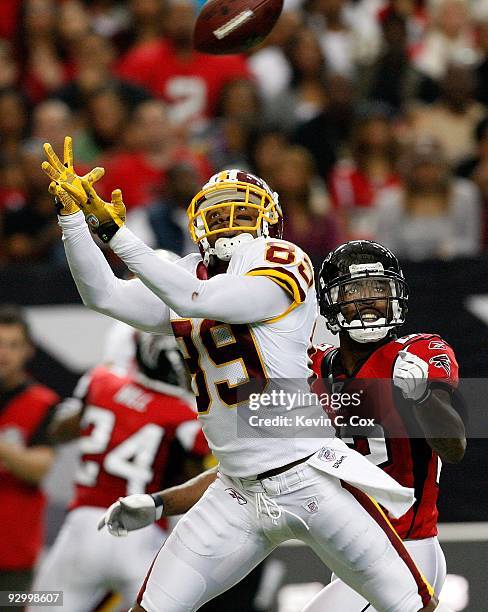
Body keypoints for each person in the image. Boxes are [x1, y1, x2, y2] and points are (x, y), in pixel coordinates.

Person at [42, 136, 448, 612]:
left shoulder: (283, 260)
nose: (226, 221)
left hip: (308, 473)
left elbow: (204, 302)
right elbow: (104, 296)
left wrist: (118, 236)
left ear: (268, 218)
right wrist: (73, 220)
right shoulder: (184, 272)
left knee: (411, 606)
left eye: (239, 209)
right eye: (215, 211)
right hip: (235, 489)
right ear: (196, 222)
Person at [302, 240, 466, 611]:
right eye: (355, 289)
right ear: (330, 302)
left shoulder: (419, 353)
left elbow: (454, 447)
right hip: (349, 551)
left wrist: (422, 396)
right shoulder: (314, 368)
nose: (369, 299)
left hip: (406, 548)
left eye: (379, 288)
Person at [30, 331, 208, 612]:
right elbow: (194, 478)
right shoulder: (185, 415)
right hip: (144, 530)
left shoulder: (100, 381)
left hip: (85, 528)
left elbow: (60, 430)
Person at [0, 306, 58, 595]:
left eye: (13, 345)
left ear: (28, 350)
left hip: (14, 549)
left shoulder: (42, 403)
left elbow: (39, 468)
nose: (4, 354)